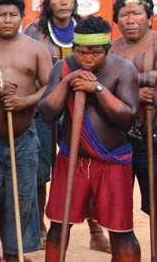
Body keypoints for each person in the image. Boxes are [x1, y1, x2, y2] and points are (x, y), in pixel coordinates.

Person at [37, 15, 140, 262]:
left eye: (95, 53)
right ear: (73, 48)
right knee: (59, 226)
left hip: (113, 161)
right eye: (81, 52)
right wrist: (67, 82)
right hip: (73, 159)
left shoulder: (123, 69)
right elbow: (47, 113)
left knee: (121, 230)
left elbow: (127, 118)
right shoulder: (63, 67)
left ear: (107, 49)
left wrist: (98, 90)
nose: (87, 59)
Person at [22, 0, 110, 253]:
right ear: (48, 3)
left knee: (86, 164)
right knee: (41, 170)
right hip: (47, 106)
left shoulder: (85, 28)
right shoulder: (35, 31)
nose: (62, 1)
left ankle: (96, 231)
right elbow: (28, 66)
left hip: (83, 107)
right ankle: (42, 228)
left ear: (74, 1)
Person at [0, 0, 52, 262]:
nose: (7, 20)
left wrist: (25, 101)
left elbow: (50, 86)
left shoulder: (35, 48)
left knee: (21, 199)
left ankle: (14, 252)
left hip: (23, 138)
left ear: (22, 18)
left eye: (13, 15)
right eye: (2, 15)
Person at [110, 0, 157, 252]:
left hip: (154, 136)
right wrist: (136, 92)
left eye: (137, 14)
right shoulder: (111, 50)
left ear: (149, 18)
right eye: (124, 16)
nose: (130, 20)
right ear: (116, 20)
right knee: (117, 209)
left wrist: (126, 83)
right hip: (118, 139)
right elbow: (104, 86)